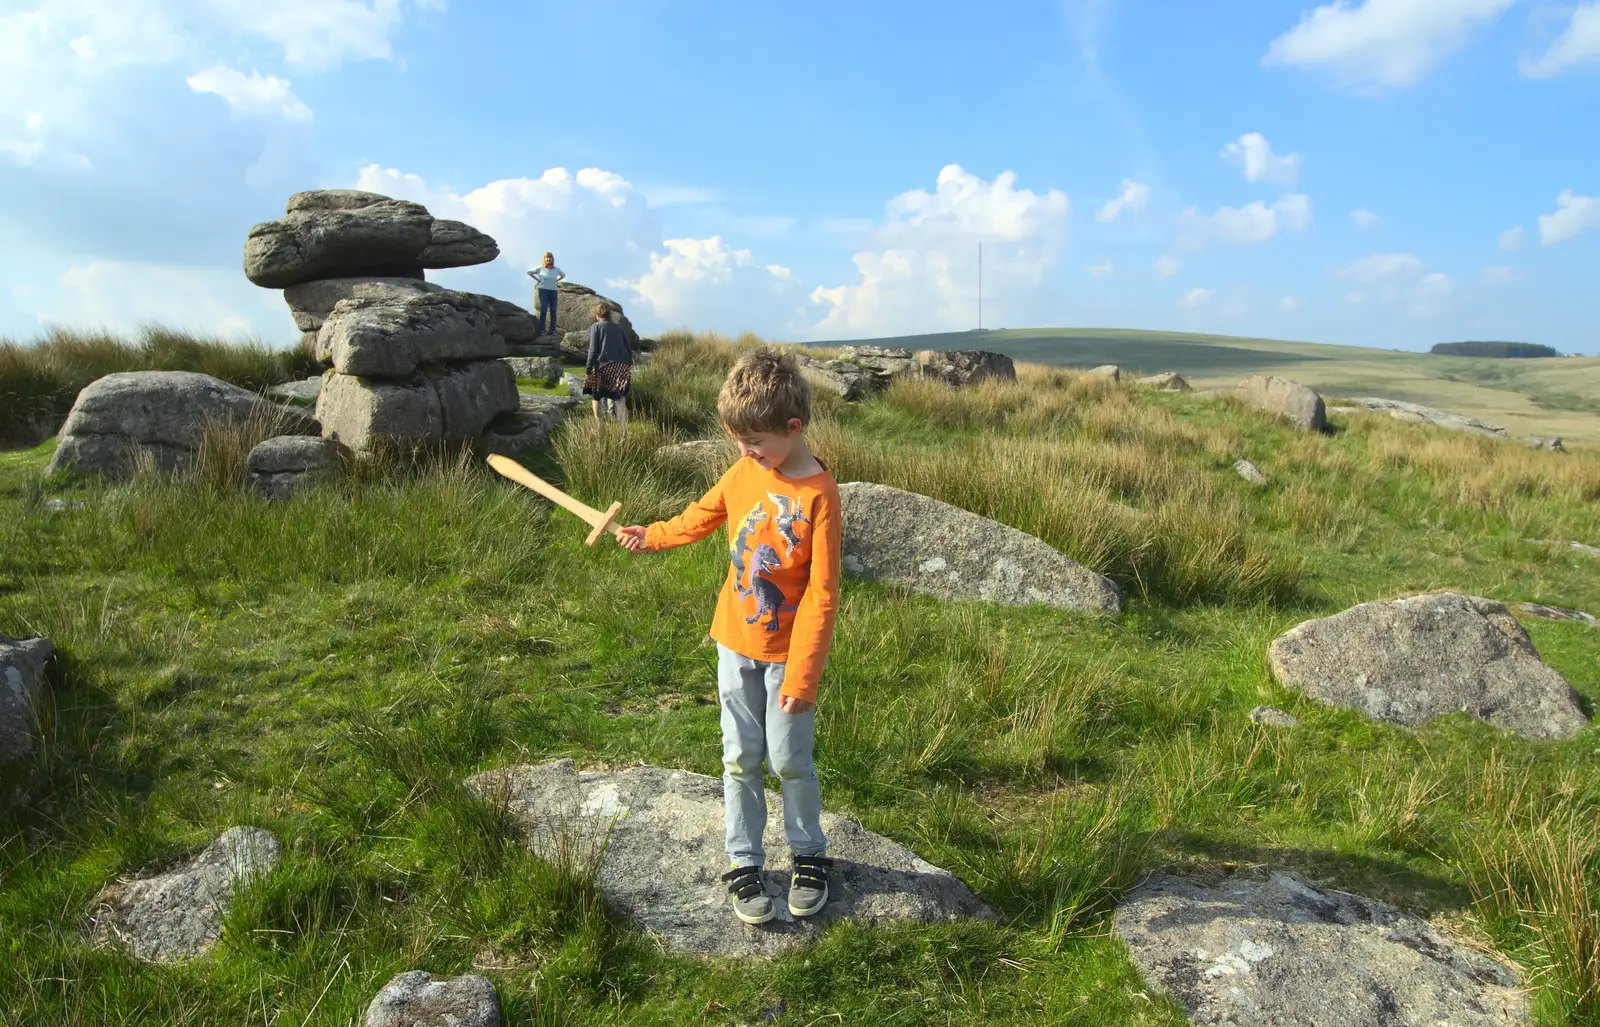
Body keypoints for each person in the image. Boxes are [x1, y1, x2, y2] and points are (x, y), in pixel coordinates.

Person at [616, 348, 842, 925]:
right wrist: (654, 535)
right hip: (733, 643)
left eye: (755, 443)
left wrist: (804, 673)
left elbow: (821, 594)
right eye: (737, 442)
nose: (745, 453)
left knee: (791, 760)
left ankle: (809, 855)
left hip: (787, 658)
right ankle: (744, 860)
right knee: (740, 757)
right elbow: (703, 513)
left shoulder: (818, 495)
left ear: (794, 429)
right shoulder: (743, 471)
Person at [583, 302, 633, 429]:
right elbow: (628, 348)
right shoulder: (618, 328)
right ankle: (623, 429)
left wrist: (588, 370)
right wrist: (628, 365)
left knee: (596, 395)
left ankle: (599, 425)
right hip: (622, 365)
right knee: (620, 398)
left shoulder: (596, 327)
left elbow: (593, 350)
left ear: (597, 315)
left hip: (604, 365)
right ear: (609, 314)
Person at [526, 252, 565, 336]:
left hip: (553, 291)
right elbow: (529, 272)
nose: (548, 259)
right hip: (543, 290)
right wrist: (538, 279)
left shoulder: (556, 270)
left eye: (550, 258)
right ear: (544, 259)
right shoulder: (541, 268)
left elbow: (563, 275)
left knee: (553, 311)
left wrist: (556, 280)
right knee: (543, 309)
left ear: (552, 259)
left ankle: (553, 330)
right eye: (547, 258)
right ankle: (542, 330)